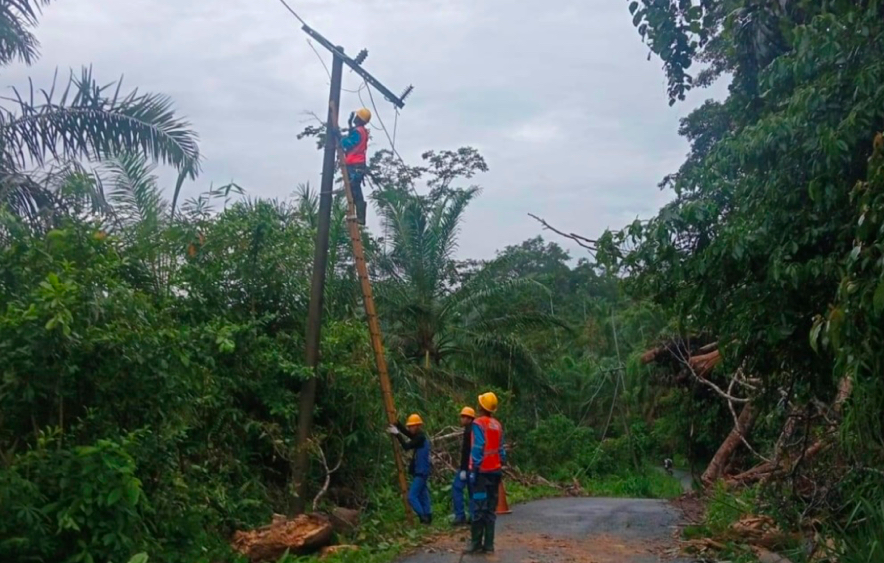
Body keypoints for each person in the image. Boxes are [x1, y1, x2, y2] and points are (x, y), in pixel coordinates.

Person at [465, 392, 506, 554]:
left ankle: (475, 544)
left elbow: (478, 446)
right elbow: (501, 449)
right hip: (495, 472)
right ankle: (489, 545)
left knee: (478, 507)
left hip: (481, 473)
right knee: (490, 508)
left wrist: (474, 468)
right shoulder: (497, 425)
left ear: (482, 406)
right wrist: (500, 462)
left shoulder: (478, 423)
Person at [387, 413, 433, 524]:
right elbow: (408, 434)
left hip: (421, 472)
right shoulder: (419, 437)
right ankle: (428, 515)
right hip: (422, 471)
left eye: (411, 426)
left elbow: (406, 446)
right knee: (423, 494)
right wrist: (398, 424)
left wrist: (397, 434)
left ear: (417, 426)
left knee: (412, 496)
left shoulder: (420, 438)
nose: (409, 428)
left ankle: (423, 517)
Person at [340, 107, 371, 225]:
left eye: (357, 116)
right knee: (354, 190)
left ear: (359, 119)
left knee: (355, 190)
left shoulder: (358, 132)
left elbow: (350, 143)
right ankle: (358, 215)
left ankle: (361, 217)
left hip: (355, 165)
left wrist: (339, 139)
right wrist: (349, 125)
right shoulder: (360, 130)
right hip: (356, 164)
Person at [452, 406, 476, 526]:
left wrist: (463, 469)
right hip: (473, 467)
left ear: (469, 418)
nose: (461, 419)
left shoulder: (469, 431)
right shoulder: (472, 429)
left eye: (463, 417)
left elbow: (467, 452)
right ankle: (472, 516)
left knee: (457, 488)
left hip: (468, 467)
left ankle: (460, 516)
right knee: (472, 492)